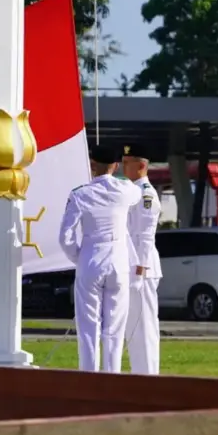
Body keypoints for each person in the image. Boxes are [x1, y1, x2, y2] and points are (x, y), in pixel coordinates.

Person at [58, 145, 142, 373]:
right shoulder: (126, 190)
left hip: (91, 257)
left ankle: (89, 375)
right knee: (114, 328)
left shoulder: (80, 194)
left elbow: (65, 237)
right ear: (115, 166)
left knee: (88, 327)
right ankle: (112, 376)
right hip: (118, 259)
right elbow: (138, 192)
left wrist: (80, 257)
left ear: (92, 165)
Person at [121, 143, 163, 375]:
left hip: (142, 269)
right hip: (132, 266)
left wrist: (140, 269)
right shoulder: (131, 190)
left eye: (128, 163)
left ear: (142, 165)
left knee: (144, 325)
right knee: (132, 327)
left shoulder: (146, 194)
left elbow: (145, 236)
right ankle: (140, 372)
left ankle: (147, 374)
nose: (123, 167)